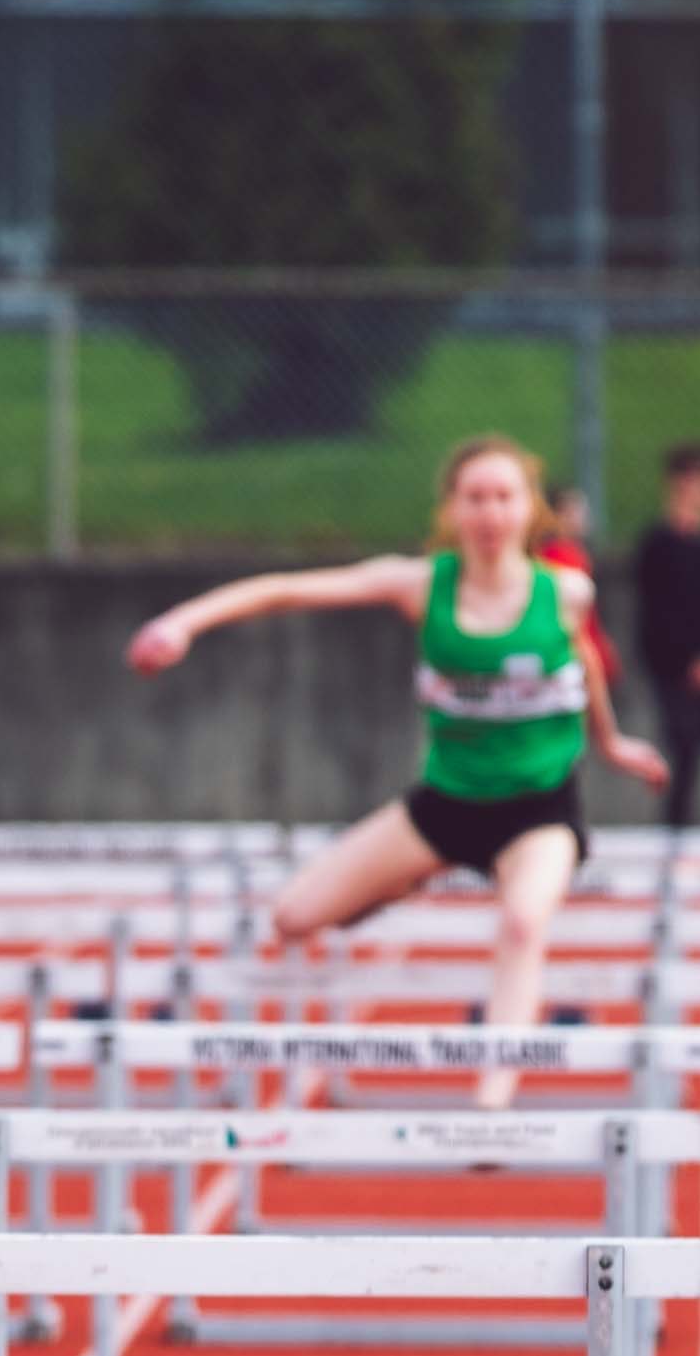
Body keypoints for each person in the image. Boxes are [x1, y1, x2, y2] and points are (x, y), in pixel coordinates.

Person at [123, 433, 668, 1034]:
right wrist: (184, 622)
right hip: (446, 803)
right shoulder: (418, 585)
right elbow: (287, 589)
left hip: (539, 809)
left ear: (529, 509)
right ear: (453, 510)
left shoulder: (566, 592)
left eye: (504, 497)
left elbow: (583, 660)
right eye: (476, 498)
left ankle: (492, 1115)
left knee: (520, 925)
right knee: (293, 916)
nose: (490, 513)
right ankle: (414, 872)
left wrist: (611, 741)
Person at [631, 444, 700, 828]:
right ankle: (676, 831)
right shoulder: (657, 544)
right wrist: (684, 662)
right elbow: (656, 614)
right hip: (672, 669)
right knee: (683, 750)